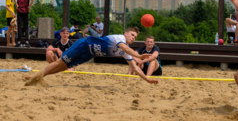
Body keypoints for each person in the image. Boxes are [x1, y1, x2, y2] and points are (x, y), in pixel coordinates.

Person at [25, 27, 158, 85]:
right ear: (126, 33)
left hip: (88, 54)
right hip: (83, 44)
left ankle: (38, 76)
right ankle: (35, 76)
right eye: (132, 35)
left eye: (135, 37)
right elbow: (127, 50)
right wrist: (140, 56)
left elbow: (135, 68)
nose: (133, 38)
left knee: (62, 67)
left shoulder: (126, 49)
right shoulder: (119, 38)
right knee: (59, 63)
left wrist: (147, 79)